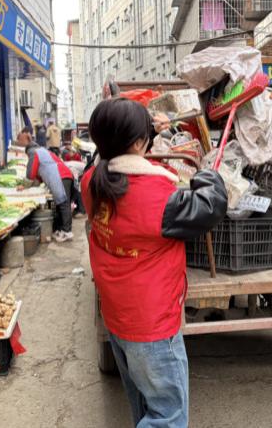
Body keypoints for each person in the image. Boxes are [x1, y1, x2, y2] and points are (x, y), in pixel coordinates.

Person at [81, 98, 227, 427]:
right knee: (168, 417)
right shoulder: (156, 195)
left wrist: (143, 136)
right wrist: (207, 172)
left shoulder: (91, 182)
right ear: (138, 143)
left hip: (119, 317)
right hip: (152, 326)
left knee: (144, 404)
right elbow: (211, 206)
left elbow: (108, 159)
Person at [18, 134, 75, 242]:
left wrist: (25, 185)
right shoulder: (42, 151)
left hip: (61, 176)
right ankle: (62, 230)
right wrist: (32, 184)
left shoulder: (33, 152)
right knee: (61, 204)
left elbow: (31, 172)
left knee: (63, 203)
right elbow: (39, 176)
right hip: (64, 175)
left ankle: (67, 232)